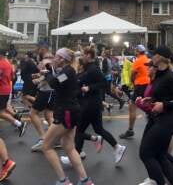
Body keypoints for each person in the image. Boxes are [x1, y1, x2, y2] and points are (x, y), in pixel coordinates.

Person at [61, 47, 126, 166]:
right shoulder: (87, 68)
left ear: (89, 55)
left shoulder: (93, 69)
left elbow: (104, 83)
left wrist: (89, 88)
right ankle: (117, 147)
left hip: (90, 104)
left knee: (79, 130)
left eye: (83, 54)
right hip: (92, 104)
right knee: (97, 129)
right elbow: (77, 81)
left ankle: (75, 156)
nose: (81, 57)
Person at [42, 48, 94, 185]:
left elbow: (54, 83)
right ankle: (85, 180)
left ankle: (63, 181)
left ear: (62, 59)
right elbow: (58, 82)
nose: (53, 59)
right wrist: (49, 70)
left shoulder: (68, 71)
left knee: (46, 146)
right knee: (69, 147)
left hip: (66, 112)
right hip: (71, 111)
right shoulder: (68, 71)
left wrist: (47, 74)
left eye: (56, 57)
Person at [138, 46, 173, 185]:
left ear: (160, 57)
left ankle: (157, 182)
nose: (151, 57)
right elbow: (161, 94)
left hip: (168, 120)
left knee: (145, 153)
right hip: (158, 118)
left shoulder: (170, 76)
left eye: (153, 55)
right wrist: (151, 100)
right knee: (160, 155)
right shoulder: (159, 74)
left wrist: (164, 105)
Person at [120, 44, 150, 139]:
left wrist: (133, 82)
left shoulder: (138, 61)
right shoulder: (147, 59)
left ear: (137, 51)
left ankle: (130, 130)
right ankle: (152, 121)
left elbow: (132, 75)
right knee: (148, 104)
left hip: (140, 85)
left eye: (135, 50)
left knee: (132, 107)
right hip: (149, 85)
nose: (134, 52)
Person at [30, 52, 55, 152]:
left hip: (47, 92)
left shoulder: (50, 65)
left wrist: (39, 81)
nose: (47, 59)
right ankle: (55, 138)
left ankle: (43, 138)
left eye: (49, 57)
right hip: (49, 92)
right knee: (48, 115)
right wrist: (38, 76)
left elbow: (51, 77)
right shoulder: (50, 65)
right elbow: (47, 75)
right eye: (46, 57)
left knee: (32, 113)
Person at [0, 49, 27, 137]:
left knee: (1, 112)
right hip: (7, 88)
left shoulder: (1, 64)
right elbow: (13, 76)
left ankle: (20, 124)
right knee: (5, 107)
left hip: (1, 90)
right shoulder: (8, 64)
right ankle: (17, 116)